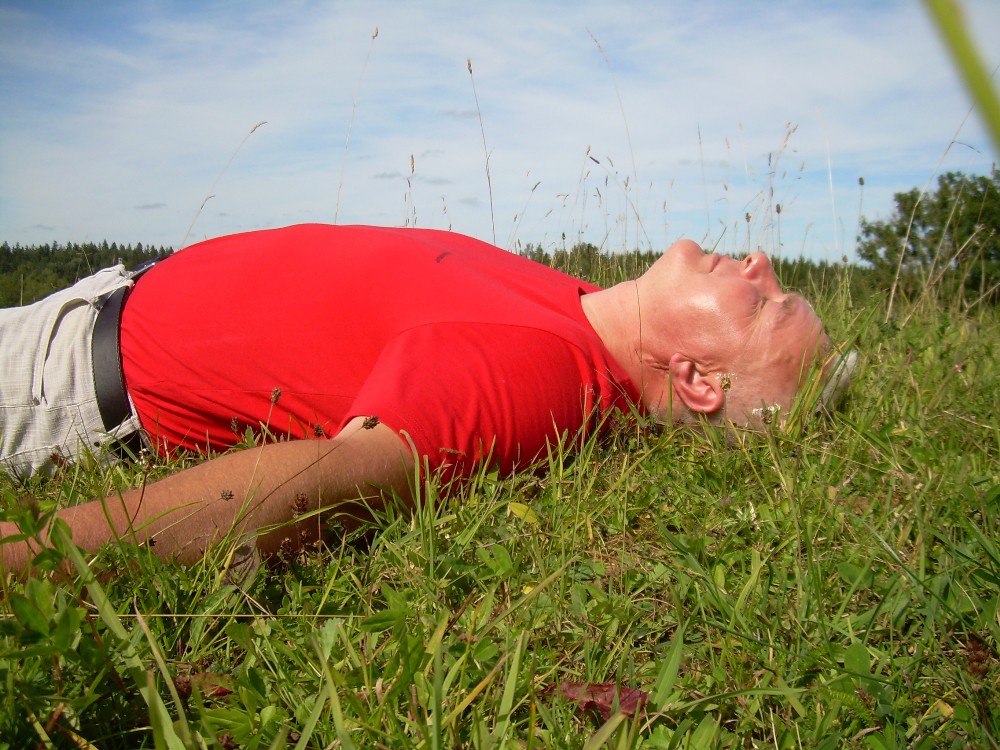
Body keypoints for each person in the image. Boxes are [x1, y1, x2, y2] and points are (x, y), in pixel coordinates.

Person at [0, 224, 849, 575]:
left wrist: (30, 557)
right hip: (87, 308)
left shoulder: (545, 374)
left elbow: (335, 478)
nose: (760, 264)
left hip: (53, 381)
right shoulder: (588, 310)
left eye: (767, 304)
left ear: (696, 379)